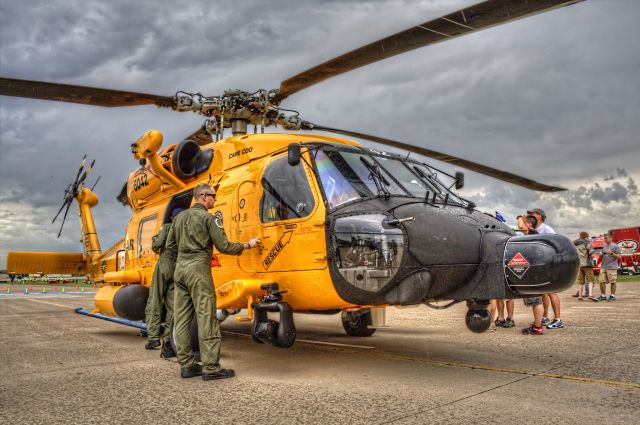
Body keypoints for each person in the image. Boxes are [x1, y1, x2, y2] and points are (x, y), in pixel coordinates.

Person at [166, 183, 260, 381]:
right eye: (213, 196)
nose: (215, 200)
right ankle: (210, 367)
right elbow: (224, 246)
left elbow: (170, 247)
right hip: (198, 270)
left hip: (180, 271)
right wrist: (247, 244)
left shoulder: (178, 218)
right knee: (206, 317)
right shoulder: (209, 218)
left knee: (182, 319)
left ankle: (187, 365)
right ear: (203, 196)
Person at [144, 207, 182, 358]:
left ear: (172, 217)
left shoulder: (167, 228)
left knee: (155, 300)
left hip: (164, 265)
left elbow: (156, 245)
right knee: (173, 306)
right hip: (178, 267)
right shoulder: (185, 230)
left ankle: (153, 338)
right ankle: (168, 341)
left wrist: (155, 237)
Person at [526, 208, 563, 329]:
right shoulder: (534, 229)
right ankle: (545, 316)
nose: (530, 215)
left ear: (539, 216)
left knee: (551, 291)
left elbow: (555, 244)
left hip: (548, 263)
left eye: (533, 213)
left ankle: (558, 319)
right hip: (539, 264)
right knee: (543, 292)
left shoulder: (547, 229)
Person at [572, 232, 597, 301]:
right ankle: (590, 294)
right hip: (587, 264)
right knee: (590, 280)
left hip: (579, 265)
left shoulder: (574, 244)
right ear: (586, 237)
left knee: (580, 281)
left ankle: (580, 296)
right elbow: (591, 253)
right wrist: (595, 258)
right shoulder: (588, 243)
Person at [598, 233, 622, 301]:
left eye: (606, 238)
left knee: (613, 282)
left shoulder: (615, 246)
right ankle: (603, 295)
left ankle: (612, 296)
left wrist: (612, 253)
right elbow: (603, 254)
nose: (605, 240)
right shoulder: (604, 246)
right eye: (604, 238)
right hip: (603, 266)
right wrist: (601, 255)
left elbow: (620, 257)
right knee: (601, 281)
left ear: (611, 238)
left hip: (612, 267)